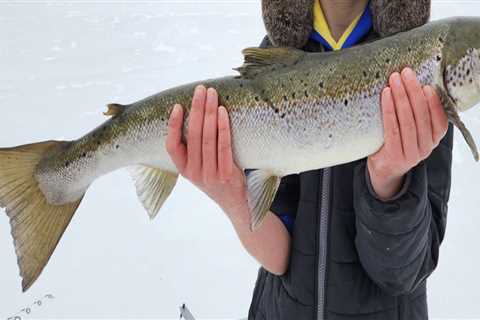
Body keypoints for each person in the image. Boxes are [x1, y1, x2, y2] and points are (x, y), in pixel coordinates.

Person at [166, 0, 452, 319]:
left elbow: (404, 274)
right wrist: (233, 198)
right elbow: (279, 258)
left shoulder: (417, 68)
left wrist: (389, 181)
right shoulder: (277, 56)